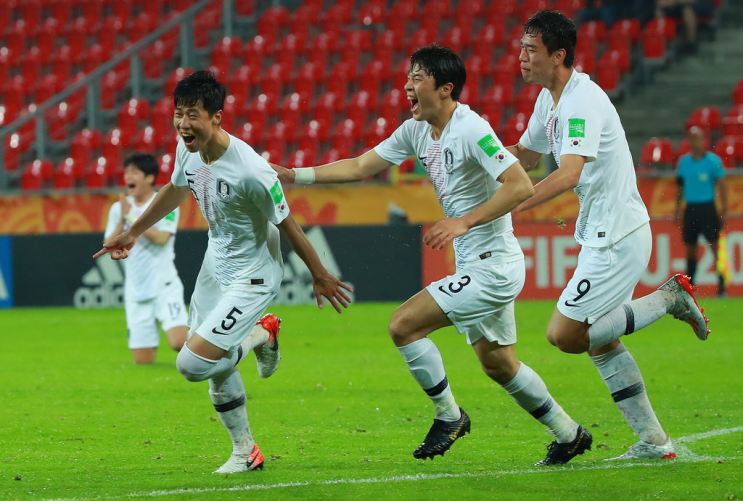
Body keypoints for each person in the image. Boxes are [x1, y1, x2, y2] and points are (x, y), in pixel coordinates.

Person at [274, 44, 591, 466]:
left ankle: (450, 415)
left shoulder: (471, 128)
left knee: (403, 325)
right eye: (409, 75)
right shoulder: (416, 129)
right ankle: (569, 434)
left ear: (444, 88)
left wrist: (463, 222)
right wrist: (296, 175)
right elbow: (361, 166)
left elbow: (519, 184)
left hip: (495, 266)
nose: (408, 85)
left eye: (418, 77)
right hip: (476, 263)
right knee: (499, 365)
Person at [95, 70, 352, 474]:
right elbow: (176, 190)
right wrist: (132, 232)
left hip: (254, 273)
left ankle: (263, 331)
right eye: (179, 113)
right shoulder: (188, 149)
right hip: (215, 265)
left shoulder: (252, 171)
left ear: (217, 117)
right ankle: (245, 452)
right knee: (214, 364)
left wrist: (319, 273)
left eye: (193, 114)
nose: (183, 123)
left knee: (192, 364)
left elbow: (289, 225)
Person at [508, 10, 709, 460]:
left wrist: (515, 204)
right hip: (601, 233)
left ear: (558, 55)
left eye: (531, 50)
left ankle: (668, 299)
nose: (521, 56)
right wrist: (482, 158)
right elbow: (526, 154)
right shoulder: (549, 100)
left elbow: (568, 173)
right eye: (521, 47)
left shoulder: (582, 101)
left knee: (564, 334)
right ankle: (656, 444)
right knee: (598, 343)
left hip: (618, 236)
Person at [103, 152, 188, 364]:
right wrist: (123, 218)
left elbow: (161, 239)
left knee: (179, 343)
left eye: (134, 172)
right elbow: (109, 243)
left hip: (164, 286)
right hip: (136, 290)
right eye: (126, 172)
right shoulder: (118, 209)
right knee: (143, 363)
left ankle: (214, 351)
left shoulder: (164, 203)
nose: (128, 177)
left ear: (150, 178)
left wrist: (131, 218)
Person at [675, 126, 728, 296]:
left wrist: (724, 207)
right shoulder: (684, 162)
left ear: (703, 140)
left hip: (708, 207)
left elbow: (722, 184)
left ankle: (722, 286)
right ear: (689, 141)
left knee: (714, 247)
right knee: (691, 247)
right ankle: (691, 286)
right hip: (691, 209)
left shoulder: (712, 161)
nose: (695, 141)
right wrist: (677, 209)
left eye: (698, 138)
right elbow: (680, 187)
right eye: (692, 138)